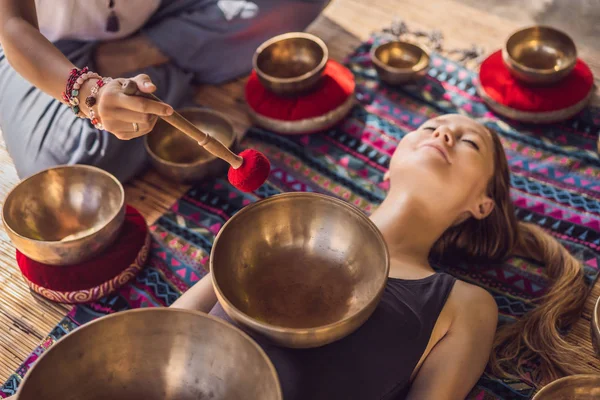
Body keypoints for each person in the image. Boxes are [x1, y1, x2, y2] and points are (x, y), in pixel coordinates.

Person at [171, 114, 593, 399]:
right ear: (388, 166)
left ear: (483, 204)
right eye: (430, 126)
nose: (442, 135)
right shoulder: (292, 218)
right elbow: (173, 328)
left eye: (469, 143)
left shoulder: (464, 304)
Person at [0, 0, 328, 182]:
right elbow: (12, 25)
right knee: (59, 173)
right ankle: (173, 61)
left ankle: (142, 57)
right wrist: (91, 93)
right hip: (52, 48)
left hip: (162, 9)